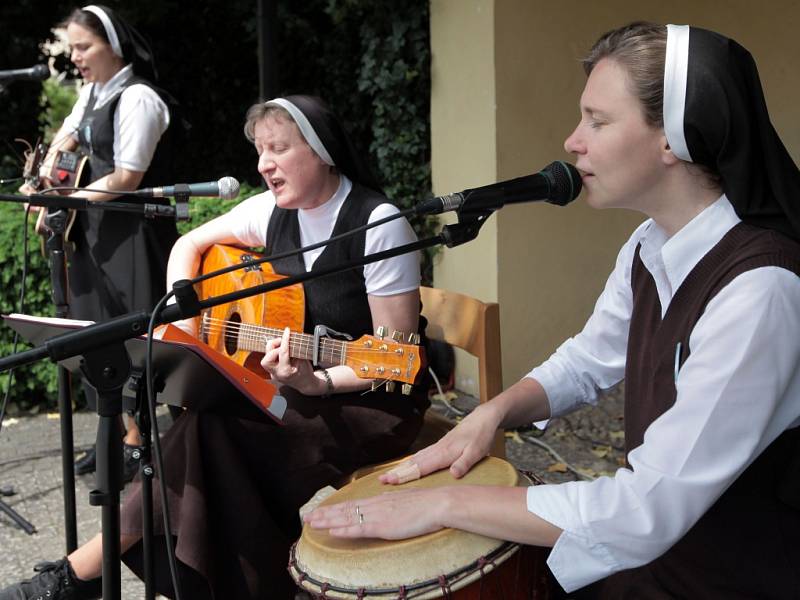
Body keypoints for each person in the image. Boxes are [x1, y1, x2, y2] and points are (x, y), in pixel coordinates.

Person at [305, 22, 800, 598]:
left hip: (730, 576)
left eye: (597, 120)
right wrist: (493, 412)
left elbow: (648, 508)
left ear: (674, 139)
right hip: (660, 556)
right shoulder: (649, 245)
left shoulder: (760, 290)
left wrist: (447, 503)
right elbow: (590, 359)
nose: (572, 141)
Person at [0, 94, 429, 600]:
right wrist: (187, 312)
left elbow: (394, 363)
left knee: (209, 433)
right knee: (208, 427)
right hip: (292, 384)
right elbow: (188, 245)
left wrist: (318, 381)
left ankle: (80, 577)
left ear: (320, 151)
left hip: (369, 403)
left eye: (278, 149)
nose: (263, 163)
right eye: (260, 150)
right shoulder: (271, 210)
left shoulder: (378, 224)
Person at [20, 5, 181, 482]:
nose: (76, 57)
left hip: (131, 232)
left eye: (84, 46)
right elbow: (65, 139)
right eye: (72, 47)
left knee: (130, 333)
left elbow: (128, 176)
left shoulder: (139, 99)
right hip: (93, 231)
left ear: (113, 46)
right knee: (89, 329)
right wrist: (46, 178)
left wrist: (67, 202)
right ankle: (112, 432)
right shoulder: (91, 93)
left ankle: (139, 442)